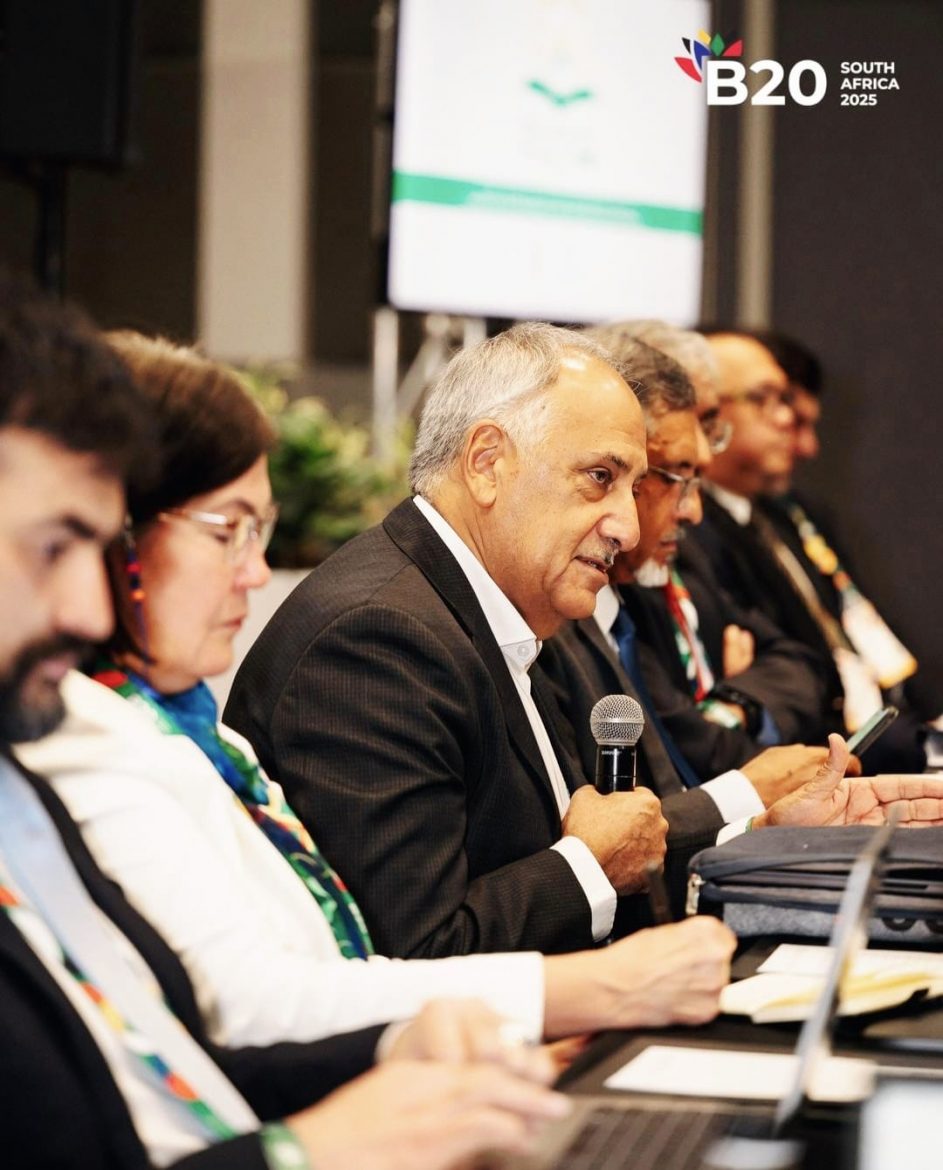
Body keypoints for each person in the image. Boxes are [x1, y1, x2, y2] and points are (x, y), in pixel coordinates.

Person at [0, 274, 579, 1170]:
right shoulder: (87, 741)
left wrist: (396, 1052)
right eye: (52, 546)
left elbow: (181, 1052)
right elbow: (241, 1016)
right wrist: (319, 1147)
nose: (86, 605)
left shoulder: (59, 764)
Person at [20, 330, 736, 1052]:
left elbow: (307, 982)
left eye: (259, 532)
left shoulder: (195, 732)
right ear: (486, 464)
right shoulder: (371, 636)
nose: (256, 574)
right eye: (228, 532)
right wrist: (594, 973)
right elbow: (271, 1007)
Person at [226, 323, 674, 958]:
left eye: (634, 487)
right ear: (487, 464)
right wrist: (589, 866)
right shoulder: (375, 641)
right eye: (600, 477)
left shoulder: (499, 607)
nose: (628, 527)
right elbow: (414, 953)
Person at [684, 328, 929, 772]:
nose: (786, 422)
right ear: (704, 412)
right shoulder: (692, 535)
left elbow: (810, 655)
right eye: (765, 399)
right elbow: (790, 670)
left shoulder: (780, 517)